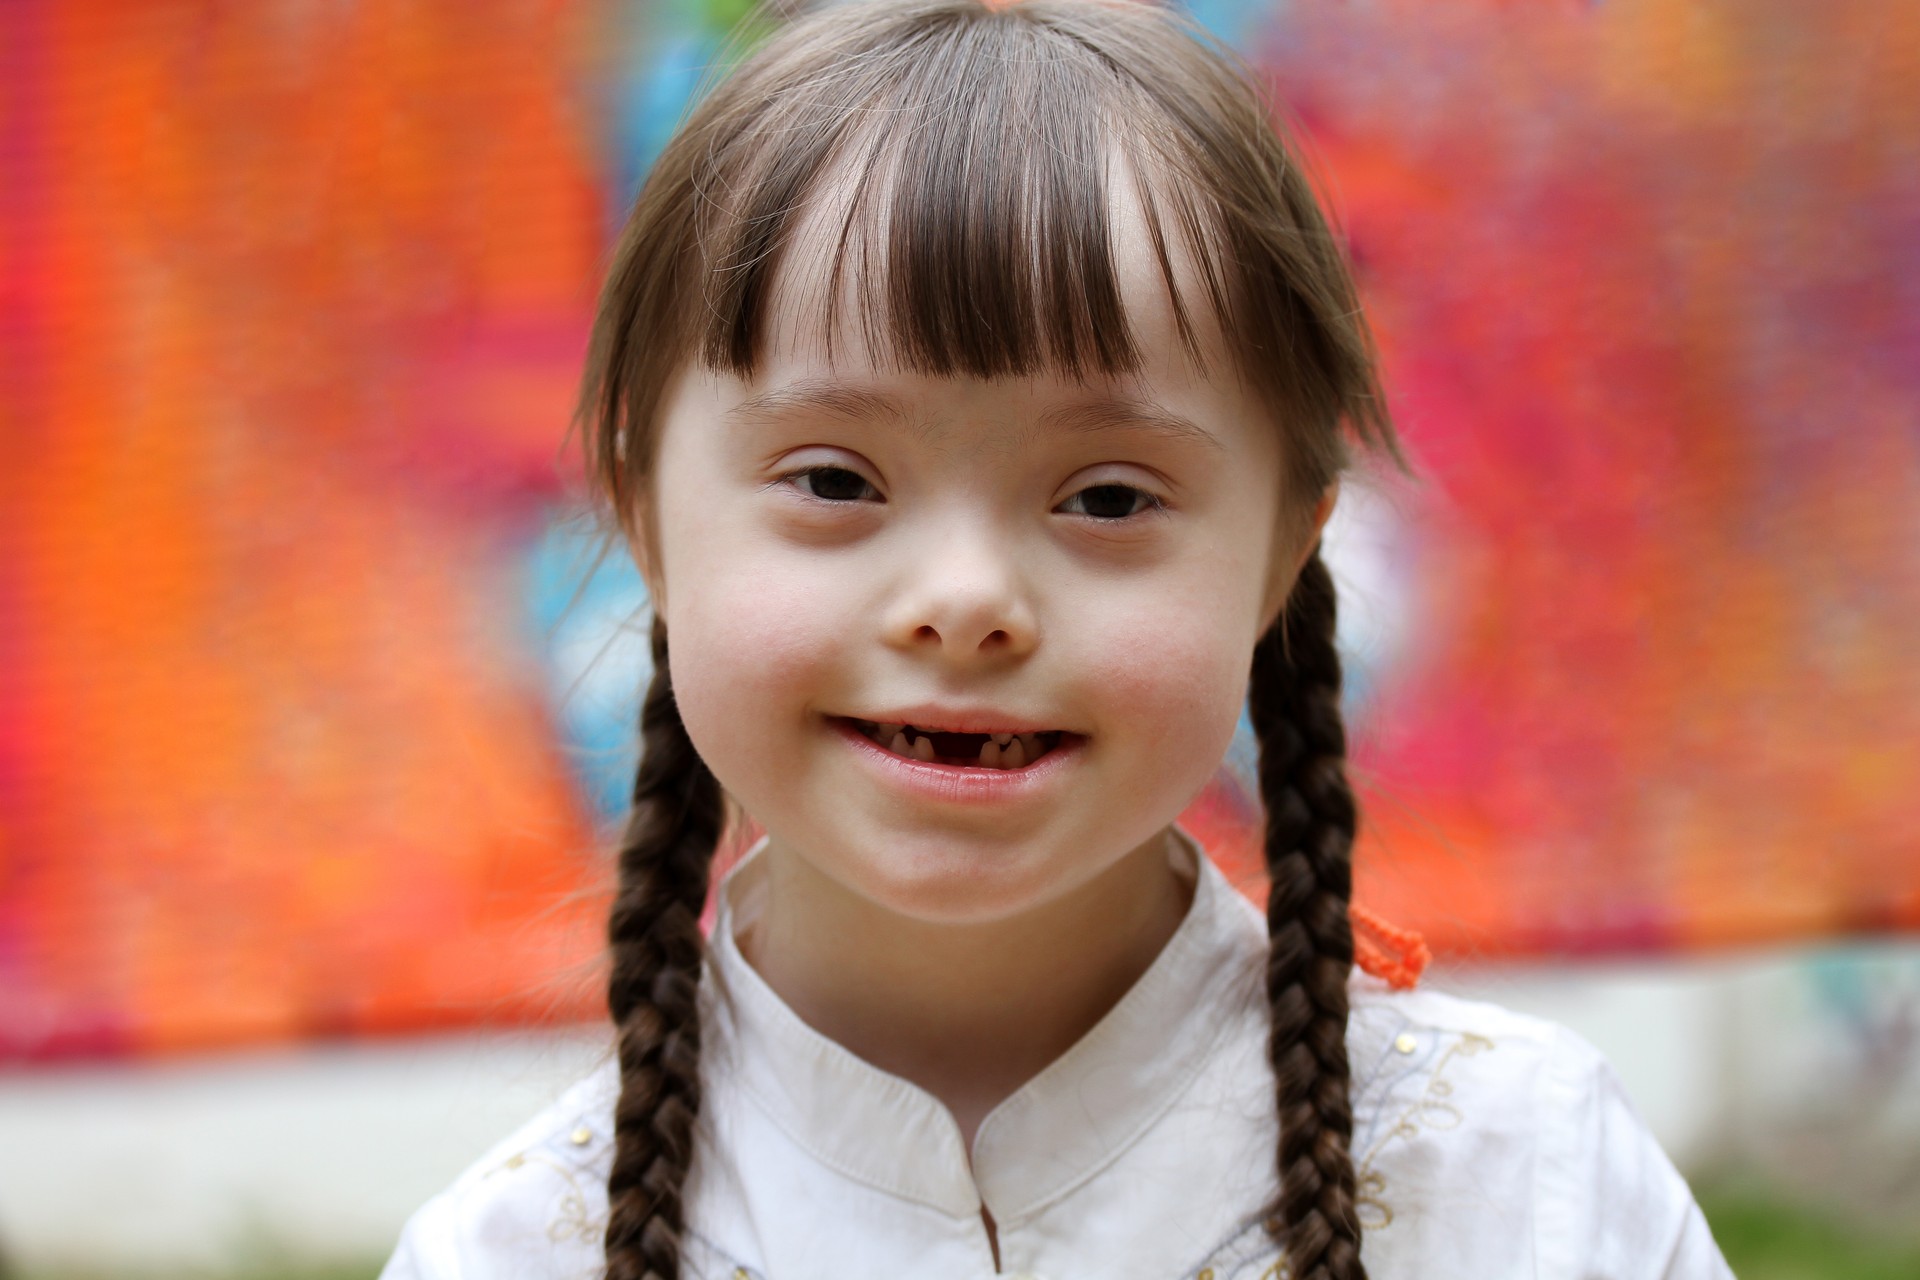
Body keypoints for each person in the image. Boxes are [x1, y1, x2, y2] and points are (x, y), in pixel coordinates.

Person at [381, 2, 1734, 1277]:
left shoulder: (1530, 1183)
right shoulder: (510, 1250)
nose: (968, 600)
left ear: (1282, 549)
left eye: (1107, 497)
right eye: (837, 481)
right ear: (645, 519)